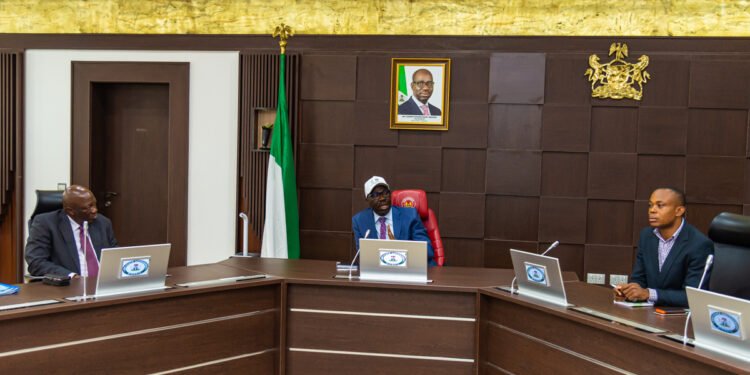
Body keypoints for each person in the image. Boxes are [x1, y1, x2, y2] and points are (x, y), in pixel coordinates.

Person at [614, 187, 713, 307]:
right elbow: (638, 278)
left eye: (660, 206)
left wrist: (649, 294)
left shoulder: (699, 244)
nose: (652, 210)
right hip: (648, 313)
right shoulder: (646, 236)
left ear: (679, 211)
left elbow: (692, 297)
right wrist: (630, 291)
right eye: (650, 205)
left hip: (678, 318)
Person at [25, 185, 117, 278]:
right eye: (87, 207)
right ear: (70, 211)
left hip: (104, 284)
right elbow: (36, 262)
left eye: (94, 204)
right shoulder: (46, 223)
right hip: (68, 286)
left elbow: (115, 255)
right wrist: (71, 276)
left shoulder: (102, 222)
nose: (94, 210)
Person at [352, 176, 436, 266]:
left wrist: (397, 248)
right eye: (376, 195)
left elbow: (427, 251)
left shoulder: (410, 215)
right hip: (378, 271)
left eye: (385, 193)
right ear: (367, 199)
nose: (382, 198)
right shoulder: (359, 220)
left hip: (410, 269)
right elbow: (363, 256)